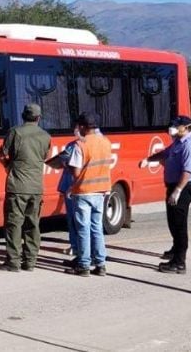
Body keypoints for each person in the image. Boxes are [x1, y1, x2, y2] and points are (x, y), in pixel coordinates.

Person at [139, 115, 191, 274]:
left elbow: (187, 172)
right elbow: (164, 154)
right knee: (172, 221)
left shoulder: (189, 146)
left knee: (179, 224)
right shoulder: (177, 143)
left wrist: (177, 191)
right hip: (173, 186)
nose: (173, 128)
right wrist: (149, 159)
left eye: (177, 126)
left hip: (184, 187)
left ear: (186, 128)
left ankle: (179, 262)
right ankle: (175, 249)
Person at [0, 103, 51, 272]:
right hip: (36, 186)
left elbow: (2, 153)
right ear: (39, 117)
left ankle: (13, 261)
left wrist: (9, 166)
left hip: (17, 185)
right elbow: (46, 156)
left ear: (23, 115)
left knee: (14, 224)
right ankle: (30, 261)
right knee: (33, 224)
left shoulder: (15, 132)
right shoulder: (46, 136)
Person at [65, 112, 111, 277]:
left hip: (84, 192)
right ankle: (101, 264)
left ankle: (84, 264)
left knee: (83, 229)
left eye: (79, 126)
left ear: (83, 127)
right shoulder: (106, 142)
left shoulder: (80, 145)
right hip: (101, 191)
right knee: (97, 228)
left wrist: (67, 165)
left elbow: (77, 173)